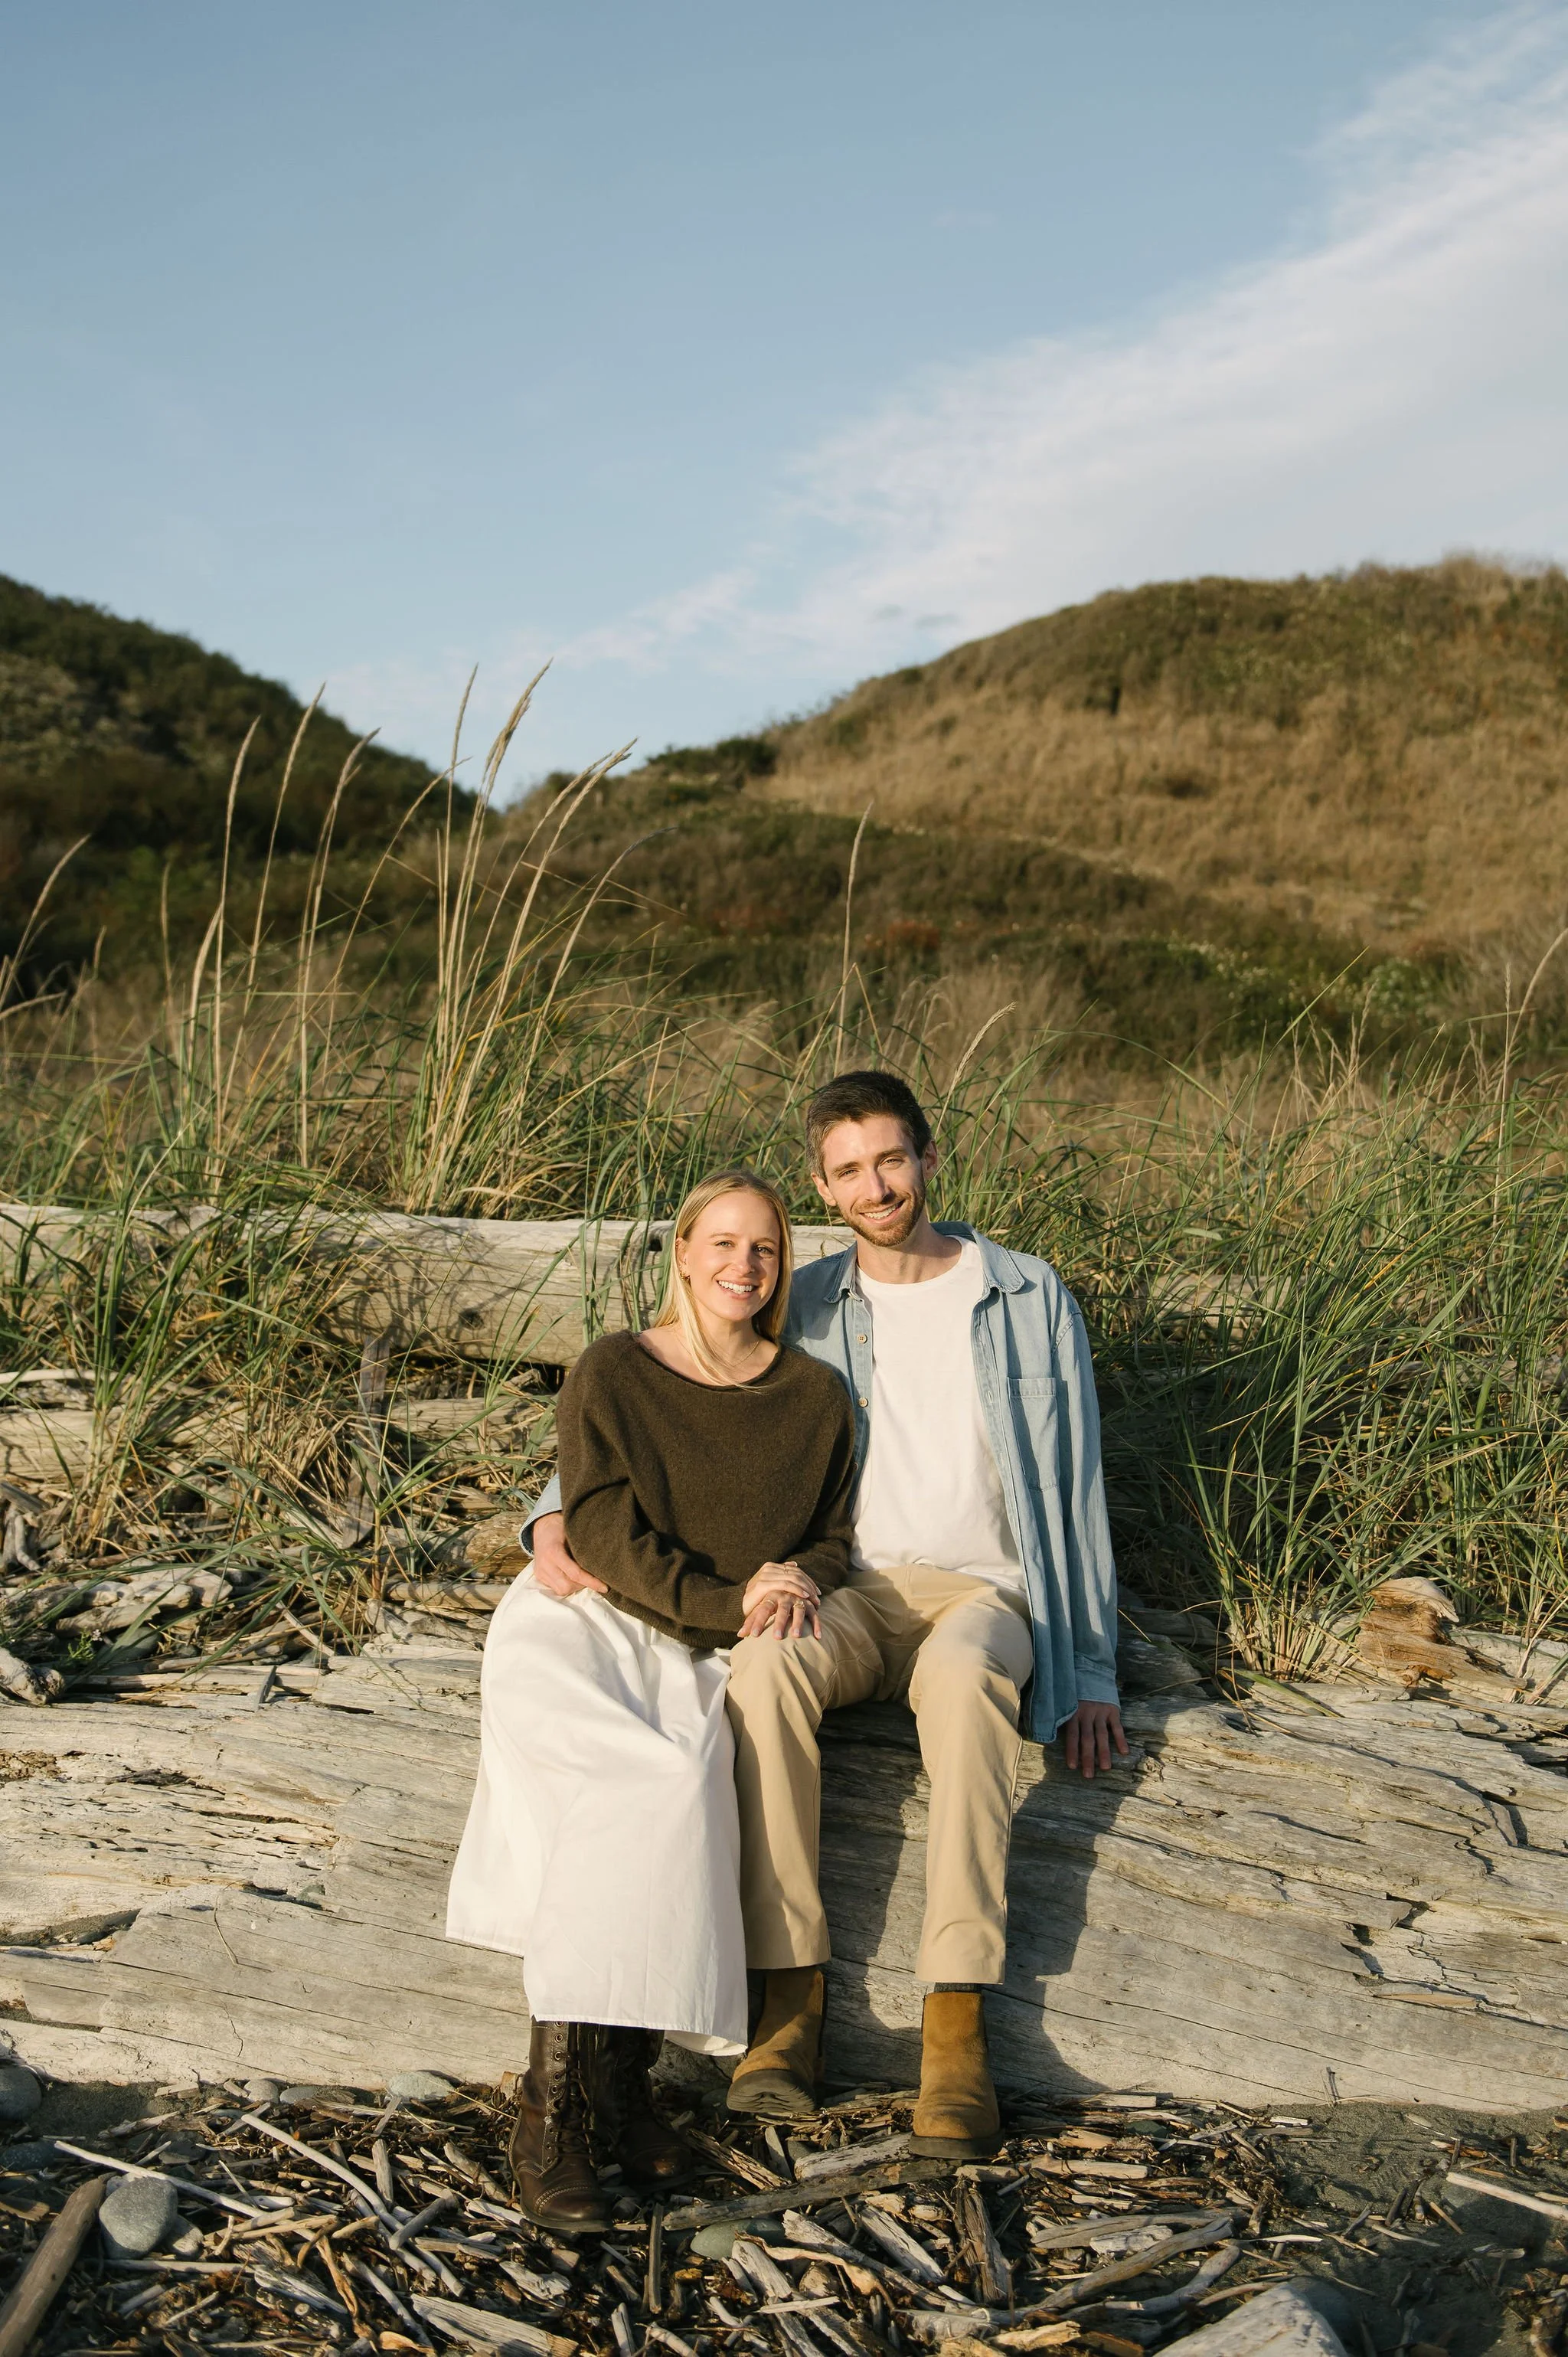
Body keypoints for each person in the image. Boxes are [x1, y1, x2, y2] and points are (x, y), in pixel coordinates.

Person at [527, 1069, 1125, 2159]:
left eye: (892, 1159)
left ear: (929, 1158)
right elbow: (683, 1375)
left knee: (963, 1680)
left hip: (983, 1594)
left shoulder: (1029, 1297)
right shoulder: (805, 1299)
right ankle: (788, 2003)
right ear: (823, 1186)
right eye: (849, 1170)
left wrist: (1090, 1675)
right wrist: (551, 1510)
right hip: (846, 1588)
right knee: (761, 1671)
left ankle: (955, 2027)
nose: (876, 1184)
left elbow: (1077, 1485)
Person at [446, 1168, 858, 2234]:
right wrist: (728, 1597)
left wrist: (796, 1578)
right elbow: (601, 1529)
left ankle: (618, 2093)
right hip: (584, 1624)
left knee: (682, 1780)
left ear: (782, 1265)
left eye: (764, 1248)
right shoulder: (614, 1369)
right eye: (721, 1243)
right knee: (633, 1777)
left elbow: (831, 1531)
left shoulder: (812, 1397)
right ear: (682, 1252)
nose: (742, 1265)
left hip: (702, 1646)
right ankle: (555, 2115)